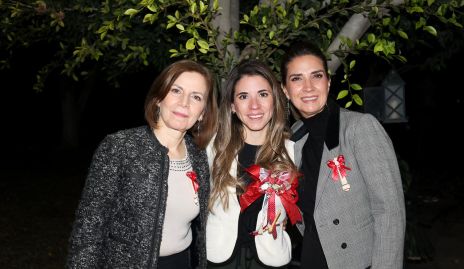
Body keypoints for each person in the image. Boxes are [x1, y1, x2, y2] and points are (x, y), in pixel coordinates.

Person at [66, 59, 217, 269]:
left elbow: (199, 230)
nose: (184, 102)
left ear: (202, 112)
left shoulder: (198, 156)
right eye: (176, 91)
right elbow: (89, 230)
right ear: (158, 98)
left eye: (196, 97)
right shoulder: (120, 148)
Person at [280, 40, 406, 269]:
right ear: (285, 90)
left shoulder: (359, 128)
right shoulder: (293, 141)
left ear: (328, 82)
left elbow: (390, 212)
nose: (308, 87)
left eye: (316, 76)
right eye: (297, 78)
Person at [206, 59, 300, 269]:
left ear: (275, 100)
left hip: (271, 260)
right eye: (243, 96)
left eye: (263, 94)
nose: (254, 105)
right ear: (232, 105)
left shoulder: (294, 152)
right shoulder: (212, 149)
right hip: (217, 260)